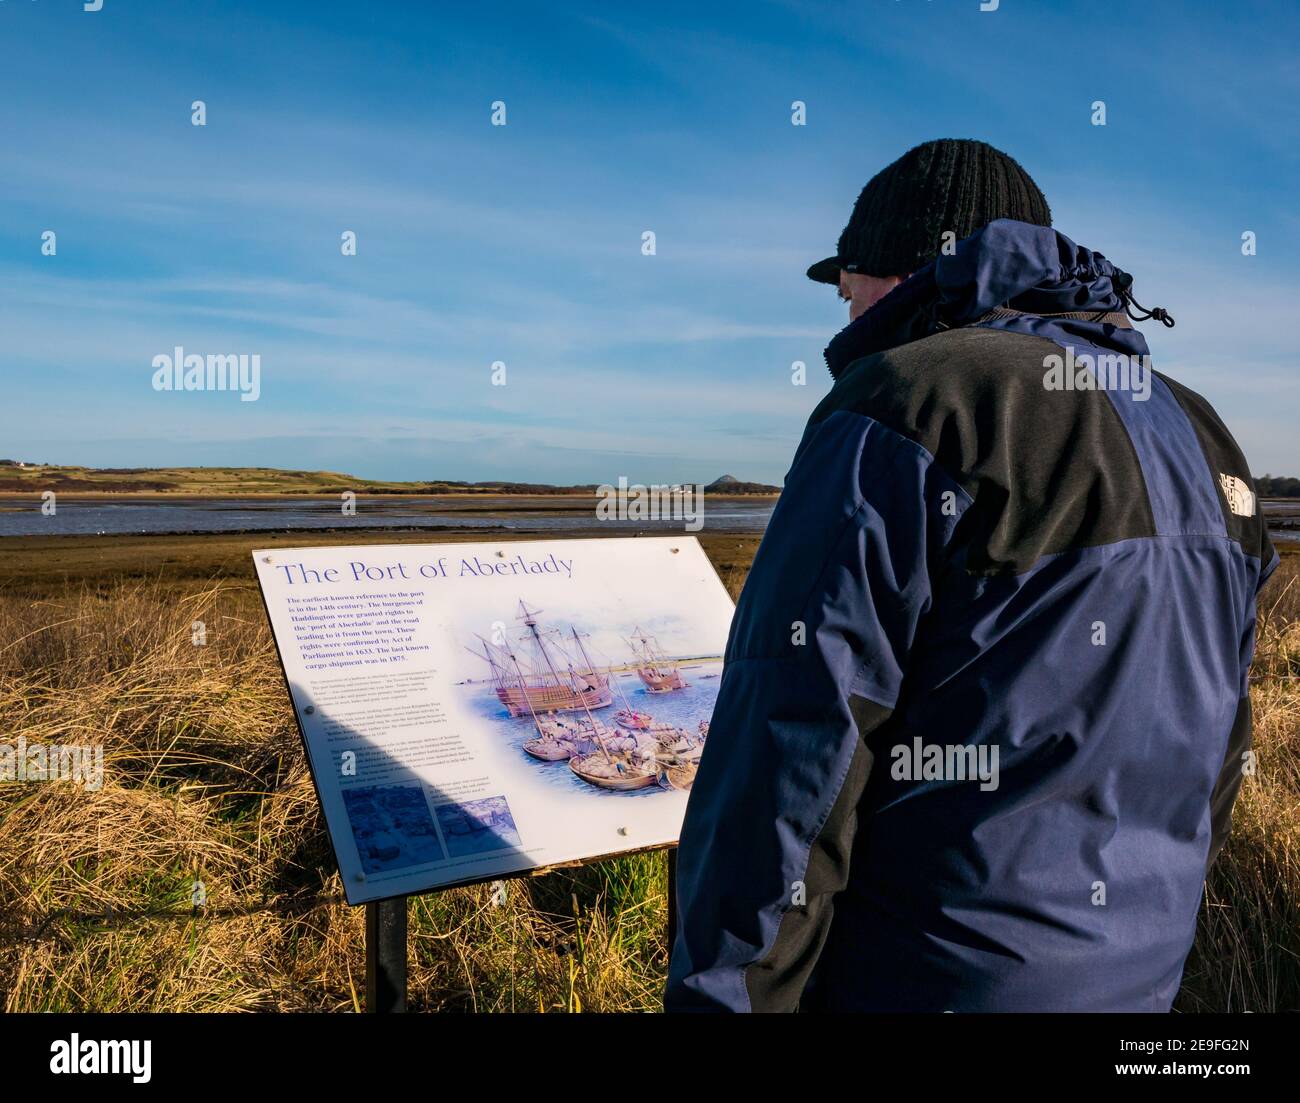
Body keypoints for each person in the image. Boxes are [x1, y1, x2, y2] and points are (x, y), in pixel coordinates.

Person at [665, 138, 1277, 1012]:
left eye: (848, 291)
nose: (843, 323)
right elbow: (1217, 753)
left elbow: (791, 768)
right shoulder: (1202, 431)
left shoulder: (904, 400)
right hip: (1141, 988)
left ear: (902, 272)